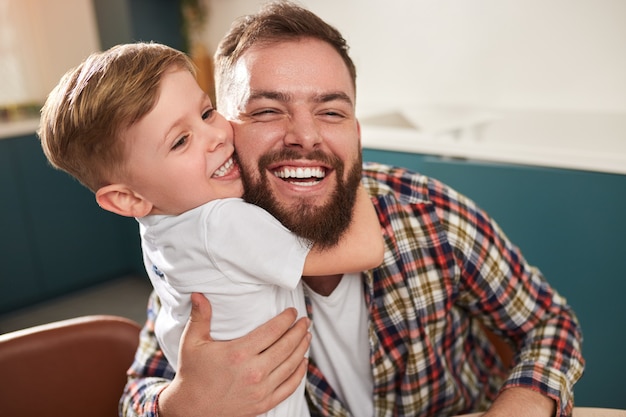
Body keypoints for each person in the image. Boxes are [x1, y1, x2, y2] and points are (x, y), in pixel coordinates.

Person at [119, 2, 585, 417]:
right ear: (224, 133)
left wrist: (519, 406)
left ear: (356, 135)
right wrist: (179, 404)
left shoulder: (429, 215)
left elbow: (548, 322)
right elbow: (136, 394)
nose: (305, 136)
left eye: (331, 112)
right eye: (266, 111)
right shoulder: (203, 246)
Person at [37, 41, 385, 417]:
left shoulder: (161, 223)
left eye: (206, 113)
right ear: (127, 199)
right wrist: (344, 157)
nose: (216, 136)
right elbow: (367, 249)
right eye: (181, 141)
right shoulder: (222, 223)